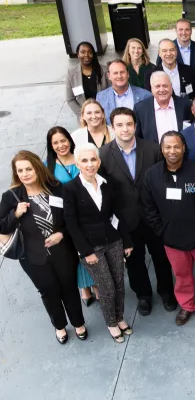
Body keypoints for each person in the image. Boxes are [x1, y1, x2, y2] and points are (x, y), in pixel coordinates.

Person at [140, 131, 195, 326]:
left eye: (176, 146)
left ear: (184, 148)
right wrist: (160, 230)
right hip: (172, 238)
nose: (172, 151)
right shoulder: (152, 175)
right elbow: (148, 206)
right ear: (161, 149)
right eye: (168, 147)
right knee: (181, 274)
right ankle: (187, 305)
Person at [1, 151, 87, 343]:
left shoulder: (56, 188)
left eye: (28, 169)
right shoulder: (11, 197)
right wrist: (15, 214)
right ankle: (59, 326)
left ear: (37, 168)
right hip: (32, 256)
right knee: (48, 290)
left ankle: (78, 323)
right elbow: (1, 226)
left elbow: (71, 218)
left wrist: (61, 234)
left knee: (69, 287)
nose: (25, 174)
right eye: (20, 170)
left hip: (63, 251)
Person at [98, 107, 174, 316]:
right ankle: (144, 295)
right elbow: (104, 193)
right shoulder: (103, 155)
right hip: (126, 221)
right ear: (112, 128)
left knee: (161, 257)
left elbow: (164, 181)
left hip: (154, 217)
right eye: (119, 125)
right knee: (134, 262)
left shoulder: (151, 149)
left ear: (135, 126)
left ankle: (166, 291)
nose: (125, 129)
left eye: (129, 124)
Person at [62, 144, 133, 343]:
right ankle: (111, 323)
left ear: (99, 162)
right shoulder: (70, 189)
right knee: (106, 288)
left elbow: (118, 213)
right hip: (91, 248)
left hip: (113, 241)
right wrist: (85, 251)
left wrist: (126, 240)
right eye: (84, 161)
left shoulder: (107, 183)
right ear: (77, 164)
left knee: (119, 283)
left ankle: (119, 318)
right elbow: (71, 223)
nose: (89, 164)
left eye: (93, 160)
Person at [46, 127, 97, 305]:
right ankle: (84, 287)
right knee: (76, 252)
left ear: (70, 139)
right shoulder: (49, 166)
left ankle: (95, 283)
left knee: (91, 249)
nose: (61, 145)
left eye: (63, 140)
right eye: (56, 143)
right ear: (51, 146)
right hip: (67, 214)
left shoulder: (81, 156)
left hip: (88, 211)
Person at [133, 72, 192, 143]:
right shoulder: (140, 109)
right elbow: (137, 138)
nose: (162, 90)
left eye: (165, 86)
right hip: (152, 153)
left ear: (171, 86)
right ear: (151, 88)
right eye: (157, 86)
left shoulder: (186, 105)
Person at [166, 19, 195, 95]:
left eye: (187, 29)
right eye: (180, 29)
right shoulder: (167, 50)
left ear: (191, 31)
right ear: (176, 31)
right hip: (176, 98)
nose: (184, 33)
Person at [66, 41, 108, 114]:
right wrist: (83, 114)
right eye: (83, 52)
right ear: (78, 54)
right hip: (84, 116)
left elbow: (112, 93)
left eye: (90, 52)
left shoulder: (104, 70)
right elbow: (70, 99)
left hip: (104, 113)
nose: (86, 55)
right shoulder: (71, 73)